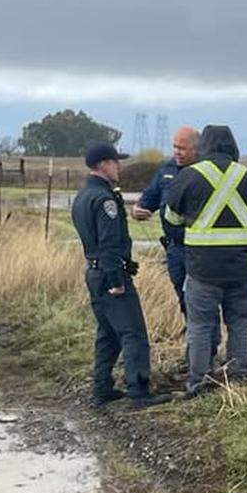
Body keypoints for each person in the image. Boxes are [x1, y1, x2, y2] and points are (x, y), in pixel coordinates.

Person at [163, 125, 247, 396]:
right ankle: (238, 378)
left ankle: (199, 383)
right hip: (242, 269)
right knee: (240, 325)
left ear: (203, 147)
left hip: (202, 269)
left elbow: (171, 218)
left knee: (199, 326)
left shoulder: (188, 177)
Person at [71, 143, 172, 409]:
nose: (119, 166)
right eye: (116, 162)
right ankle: (139, 389)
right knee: (133, 333)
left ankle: (102, 386)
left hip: (93, 273)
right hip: (109, 275)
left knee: (108, 333)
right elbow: (109, 243)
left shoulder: (83, 196)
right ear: (103, 164)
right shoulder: (105, 200)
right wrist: (116, 280)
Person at [132, 126, 220, 364]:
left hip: (201, 250)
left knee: (202, 302)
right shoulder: (166, 171)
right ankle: (195, 349)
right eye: (174, 147)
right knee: (185, 302)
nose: (177, 152)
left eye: (182, 148)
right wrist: (139, 210)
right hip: (175, 250)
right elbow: (148, 200)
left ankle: (206, 353)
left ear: (197, 148)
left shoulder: (207, 171)